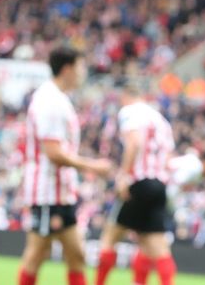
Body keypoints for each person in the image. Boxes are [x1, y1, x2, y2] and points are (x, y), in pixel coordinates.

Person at [18, 47, 113, 285]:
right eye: (81, 67)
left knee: (76, 255)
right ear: (67, 69)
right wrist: (93, 166)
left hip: (61, 194)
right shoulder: (50, 101)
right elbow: (54, 153)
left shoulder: (57, 98)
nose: (84, 73)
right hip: (48, 194)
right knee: (37, 254)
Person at [95, 85, 176, 285]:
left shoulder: (130, 112)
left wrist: (123, 176)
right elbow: (168, 158)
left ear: (126, 96)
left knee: (110, 238)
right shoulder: (161, 120)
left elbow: (134, 143)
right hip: (160, 186)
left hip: (139, 183)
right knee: (153, 244)